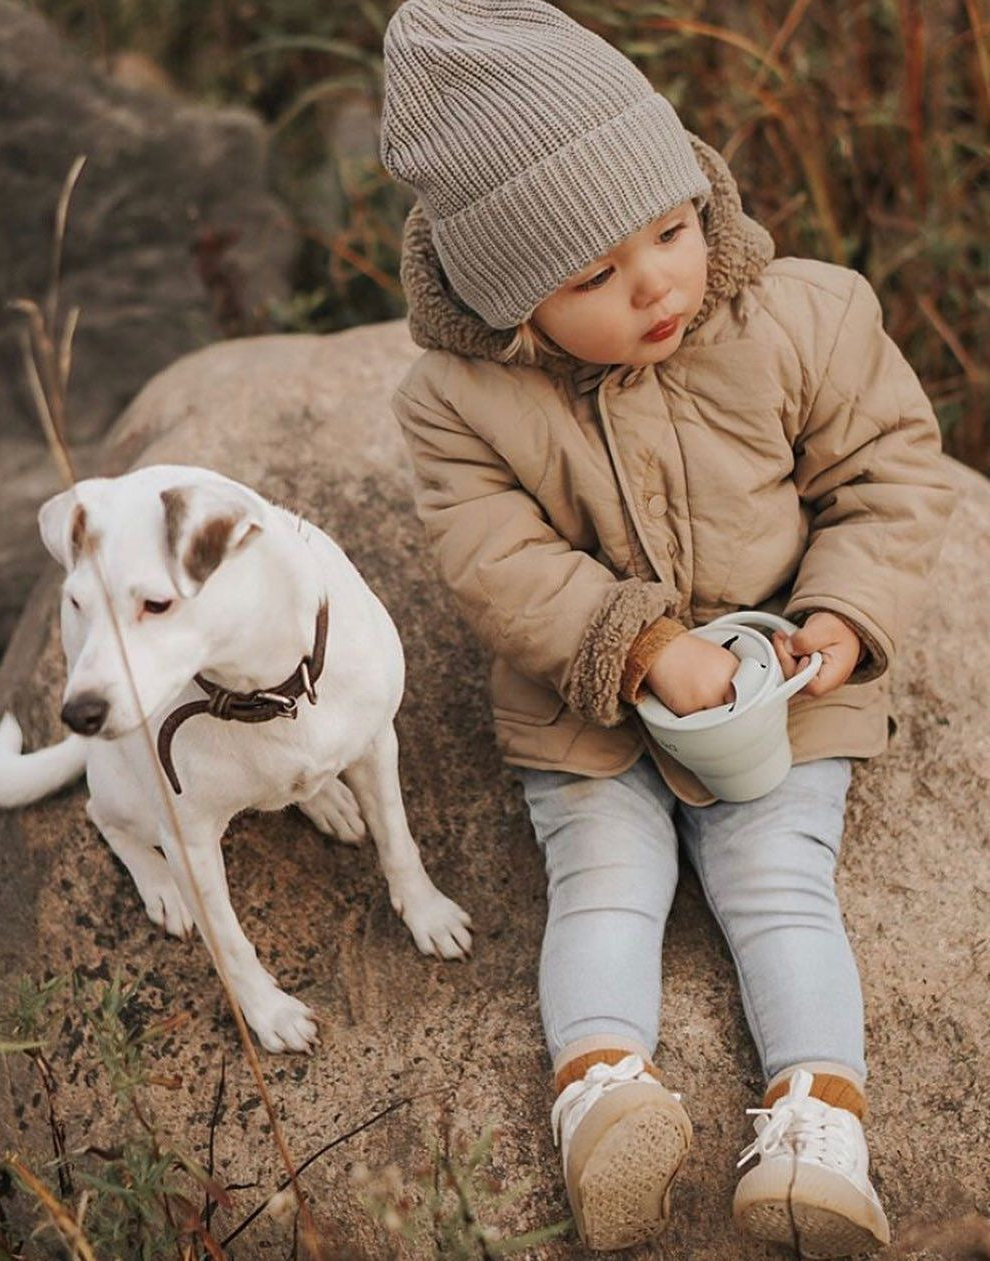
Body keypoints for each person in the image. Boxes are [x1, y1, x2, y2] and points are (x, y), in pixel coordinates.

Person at [379, 0, 956, 1253]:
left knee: (780, 882)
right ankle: (602, 1095)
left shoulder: (804, 315)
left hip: (776, 686)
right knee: (604, 884)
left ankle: (818, 1126)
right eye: (592, 277)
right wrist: (638, 644)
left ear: (700, 193)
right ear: (508, 306)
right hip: (587, 705)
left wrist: (841, 615)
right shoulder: (458, 401)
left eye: (672, 228)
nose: (656, 283)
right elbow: (497, 562)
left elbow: (889, 474)